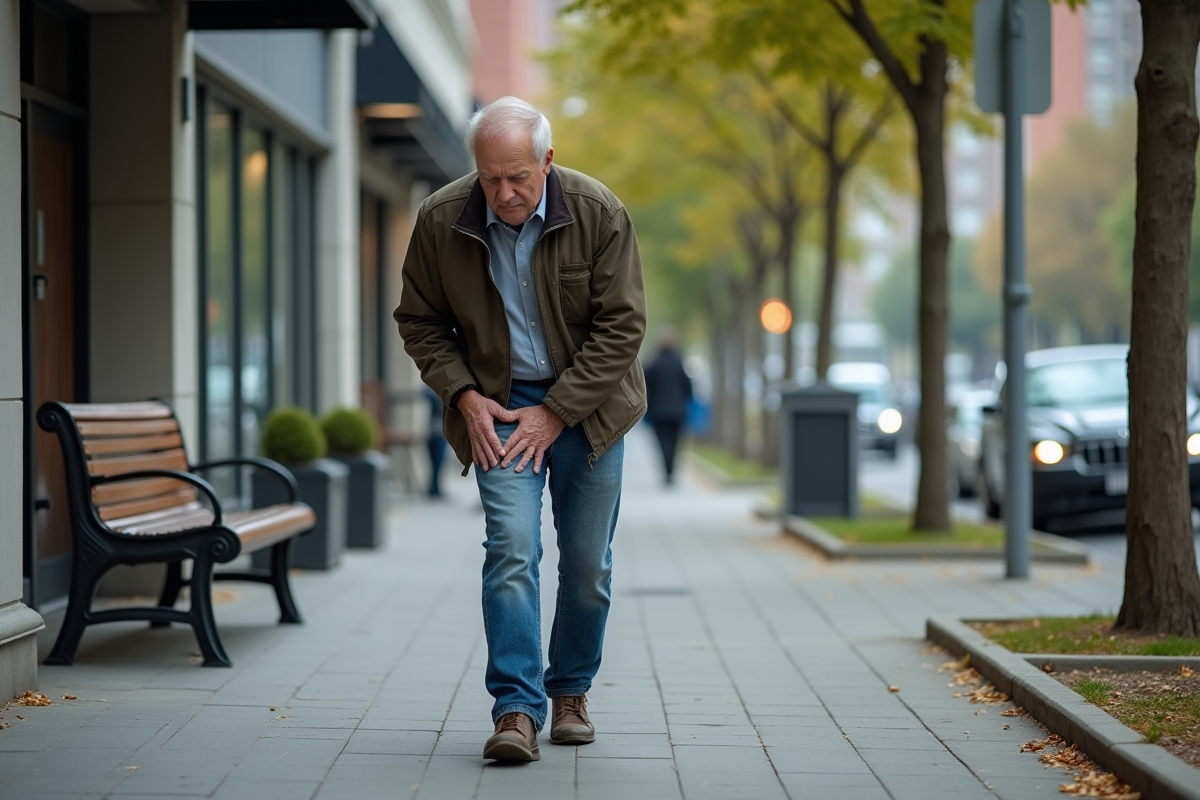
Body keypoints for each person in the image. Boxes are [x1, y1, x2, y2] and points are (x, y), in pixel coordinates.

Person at [394, 96, 647, 763]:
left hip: (589, 407)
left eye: (518, 178)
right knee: (511, 549)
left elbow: (623, 326)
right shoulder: (440, 219)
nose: (504, 193)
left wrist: (557, 410)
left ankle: (570, 692)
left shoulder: (598, 212)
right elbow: (419, 321)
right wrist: (462, 394)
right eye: (490, 178)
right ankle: (515, 708)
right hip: (499, 408)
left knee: (587, 565)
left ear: (548, 161)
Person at [643, 332, 692, 485]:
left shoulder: (654, 364)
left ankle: (667, 470)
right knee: (675, 441)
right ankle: (671, 470)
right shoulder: (678, 363)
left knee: (662, 442)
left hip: (658, 411)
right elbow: (687, 386)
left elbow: (645, 386)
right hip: (677, 411)